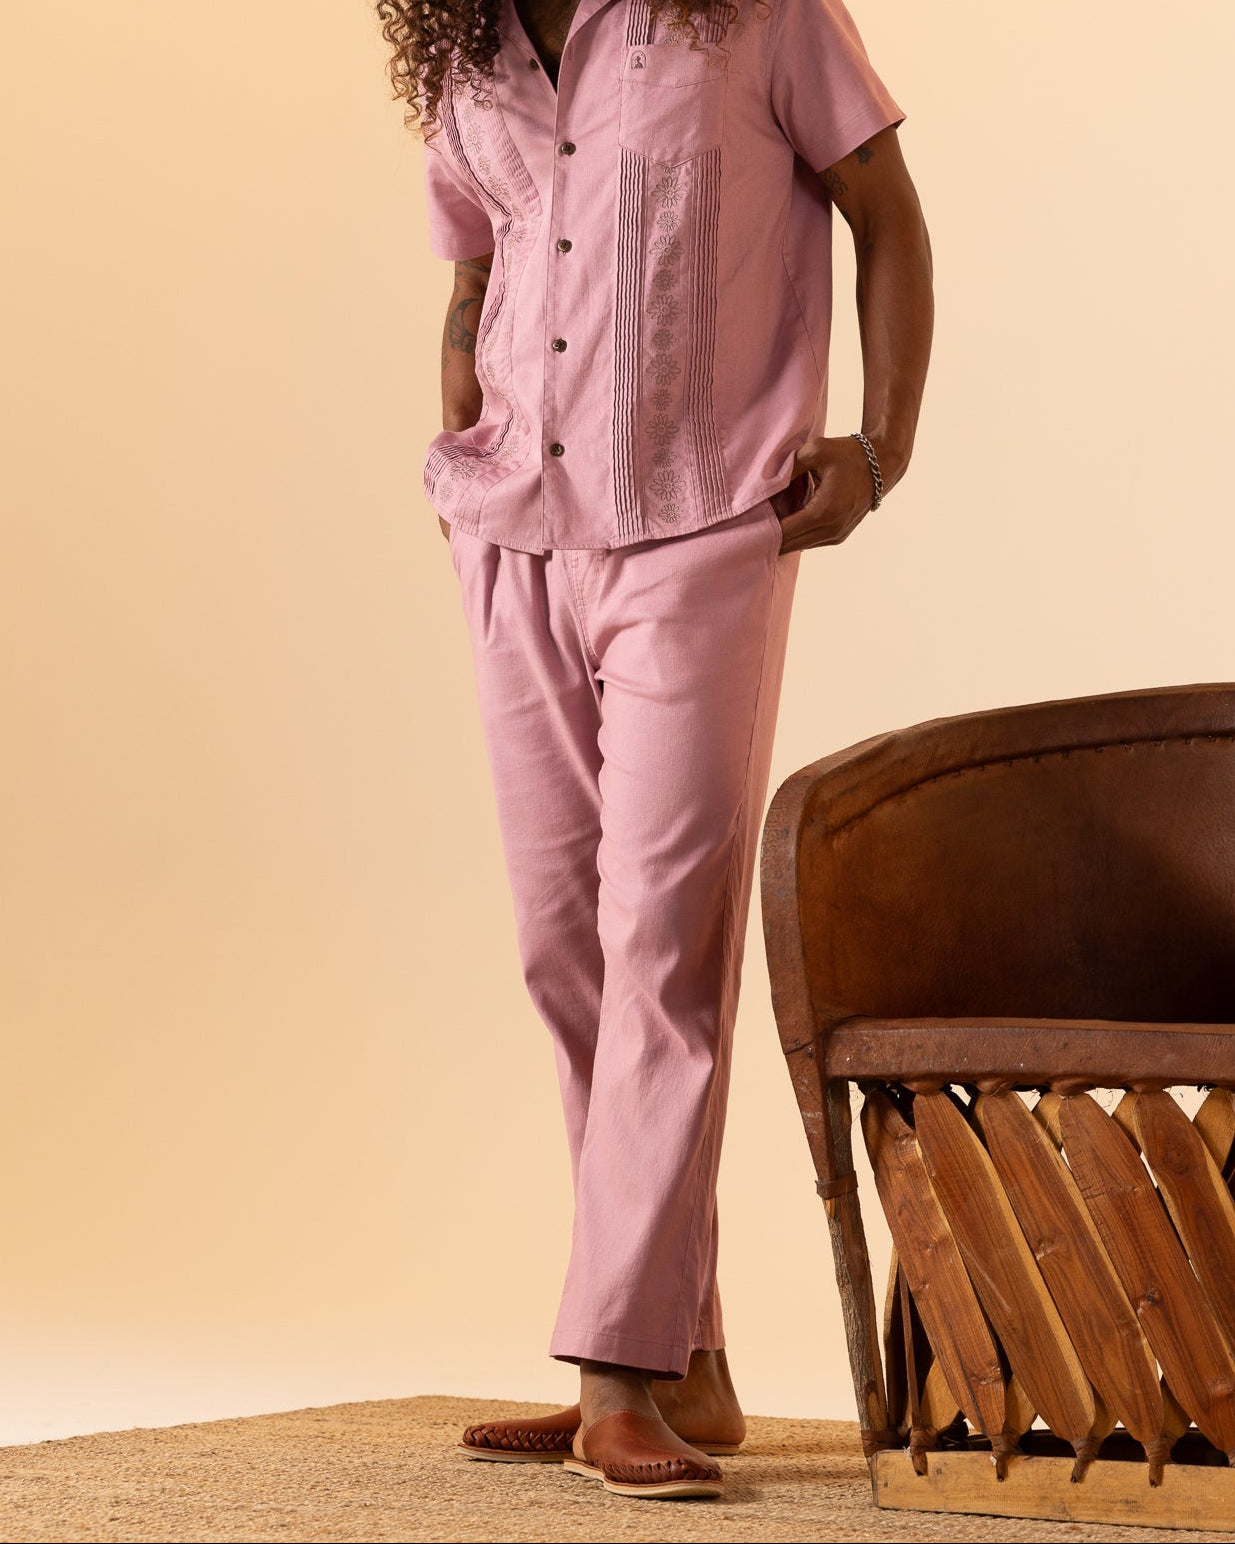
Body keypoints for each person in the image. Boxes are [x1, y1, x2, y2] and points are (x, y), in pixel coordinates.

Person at [376, 0, 933, 1502]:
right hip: (513, 540)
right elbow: (478, 265)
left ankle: (614, 1377)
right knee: (565, 948)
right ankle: (686, 1360)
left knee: (663, 945)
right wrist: (461, 456)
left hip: (701, 528)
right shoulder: (468, 46)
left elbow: (887, 211)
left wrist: (882, 445)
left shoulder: (755, 16)